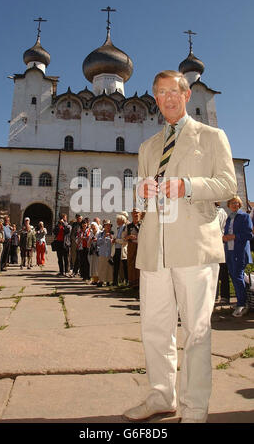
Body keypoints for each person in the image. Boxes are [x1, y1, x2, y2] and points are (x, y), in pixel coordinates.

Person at [123, 70, 237, 423]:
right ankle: (161, 396)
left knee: (197, 330)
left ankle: (194, 409)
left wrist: (188, 185)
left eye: (175, 91)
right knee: (155, 328)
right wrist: (140, 192)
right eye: (161, 93)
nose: (168, 98)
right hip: (155, 248)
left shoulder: (212, 136)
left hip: (193, 246)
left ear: (187, 96)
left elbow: (227, 184)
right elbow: (140, 196)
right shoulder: (147, 147)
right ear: (155, 100)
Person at [223, 196, 253, 317]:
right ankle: (243, 301)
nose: (234, 205)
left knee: (238, 276)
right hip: (229, 251)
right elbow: (227, 233)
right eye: (232, 203)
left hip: (239, 251)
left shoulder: (244, 216)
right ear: (229, 205)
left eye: (236, 203)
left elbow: (249, 234)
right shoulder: (229, 218)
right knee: (234, 276)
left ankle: (242, 304)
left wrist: (234, 236)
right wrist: (224, 238)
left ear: (240, 204)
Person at [215, 202, 230, 304]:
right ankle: (213, 295)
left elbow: (225, 227)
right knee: (211, 272)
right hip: (208, 246)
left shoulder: (222, 212)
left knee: (223, 272)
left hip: (221, 245)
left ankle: (225, 296)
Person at [123, 208, 142, 292]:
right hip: (131, 245)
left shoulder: (143, 224)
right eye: (134, 213)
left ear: (140, 214)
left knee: (140, 263)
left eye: (137, 213)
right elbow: (124, 237)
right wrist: (129, 237)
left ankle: (140, 282)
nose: (136, 214)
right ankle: (132, 282)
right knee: (131, 263)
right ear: (131, 214)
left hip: (141, 246)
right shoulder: (128, 226)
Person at [97, 220, 114, 286]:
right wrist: (104, 237)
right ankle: (101, 280)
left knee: (109, 268)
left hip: (110, 254)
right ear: (104, 226)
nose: (108, 227)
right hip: (102, 253)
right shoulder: (100, 234)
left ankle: (108, 281)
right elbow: (98, 243)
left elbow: (113, 243)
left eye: (109, 225)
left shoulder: (112, 233)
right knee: (101, 268)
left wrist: (112, 238)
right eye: (107, 225)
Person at [112, 214, 128, 286]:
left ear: (122, 221)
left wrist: (116, 240)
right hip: (116, 249)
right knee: (116, 266)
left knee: (125, 266)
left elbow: (124, 241)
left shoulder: (125, 228)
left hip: (122, 249)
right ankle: (115, 282)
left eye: (118, 220)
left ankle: (127, 281)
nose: (116, 221)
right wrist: (114, 240)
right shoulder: (118, 228)